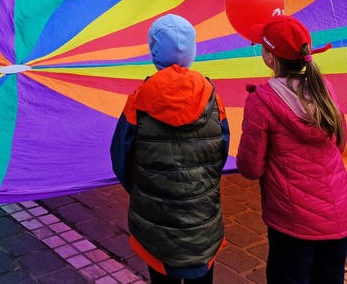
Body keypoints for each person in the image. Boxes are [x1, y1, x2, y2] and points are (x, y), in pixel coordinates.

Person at [110, 14, 229, 283]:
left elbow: (121, 158)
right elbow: (221, 151)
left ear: (154, 52)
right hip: (203, 221)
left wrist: (144, 190)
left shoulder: (139, 100)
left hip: (156, 227)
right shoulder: (213, 98)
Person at [236, 15, 347, 283]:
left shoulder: (262, 100)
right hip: (338, 217)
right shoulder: (324, 89)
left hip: (292, 223)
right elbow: (340, 142)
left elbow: (251, 168)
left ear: (271, 58)